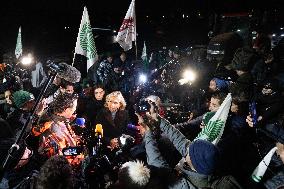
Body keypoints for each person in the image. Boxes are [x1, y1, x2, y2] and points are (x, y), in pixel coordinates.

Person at [32, 93, 83, 165]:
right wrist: (79, 155)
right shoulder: (54, 132)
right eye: (74, 108)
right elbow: (60, 159)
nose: (74, 110)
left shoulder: (54, 114)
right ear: (66, 109)